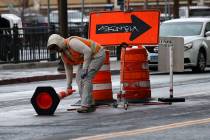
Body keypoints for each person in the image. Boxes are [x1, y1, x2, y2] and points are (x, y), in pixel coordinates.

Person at [47, 34, 106, 113]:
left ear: (59, 42)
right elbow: (68, 69)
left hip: (97, 54)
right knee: (79, 79)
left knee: (87, 77)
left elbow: (87, 51)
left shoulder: (72, 42)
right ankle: (89, 103)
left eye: (55, 47)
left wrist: (85, 69)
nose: (56, 49)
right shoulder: (63, 54)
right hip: (86, 59)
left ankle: (86, 105)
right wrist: (69, 85)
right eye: (54, 48)